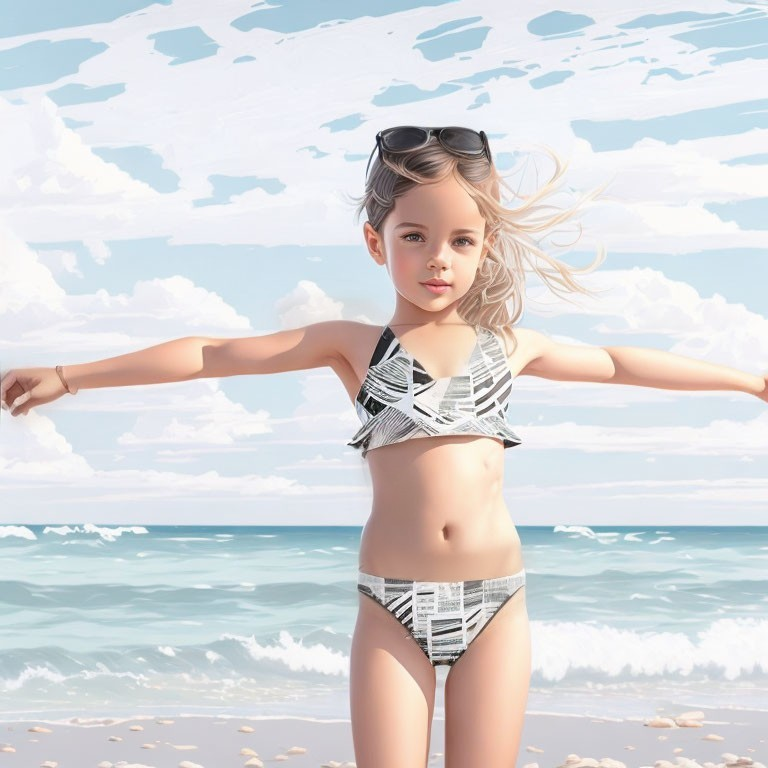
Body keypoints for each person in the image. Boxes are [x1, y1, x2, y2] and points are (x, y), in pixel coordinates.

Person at [2, 125, 766, 767]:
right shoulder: (354, 345)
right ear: (376, 242)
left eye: (461, 240)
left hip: (497, 607)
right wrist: (71, 375)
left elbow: (620, 363)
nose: (439, 257)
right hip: (391, 606)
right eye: (415, 236)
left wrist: (751, 382)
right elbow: (213, 354)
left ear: (485, 247)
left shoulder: (509, 344)